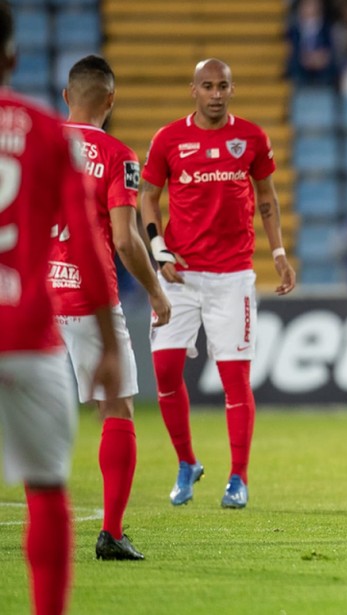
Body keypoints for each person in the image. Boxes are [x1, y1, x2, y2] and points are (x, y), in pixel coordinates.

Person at [0, 3, 121, 612]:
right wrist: (110, 339)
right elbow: (100, 247)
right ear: (13, 59)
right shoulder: (45, 132)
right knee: (48, 488)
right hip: (32, 328)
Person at [140, 58, 296, 510]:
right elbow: (148, 196)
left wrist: (280, 255)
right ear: (193, 89)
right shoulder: (169, 139)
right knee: (166, 371)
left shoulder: (251, 138)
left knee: (234, 378)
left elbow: (266, 198)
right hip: (180, 276)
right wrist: (157, 249)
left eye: (222, 85)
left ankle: (237, 477)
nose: (215, 93)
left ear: (232, 88)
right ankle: (187, 462)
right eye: (207, 86)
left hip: (232, 276)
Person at [49, 55, 172, 561]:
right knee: (116, 408)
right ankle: (112, 534)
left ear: (65, 97)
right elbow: (124, 241)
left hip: (30, 297)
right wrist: (158, 294)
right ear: (112, 100)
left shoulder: (34, 141)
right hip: (86, 298)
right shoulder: (118, 154)